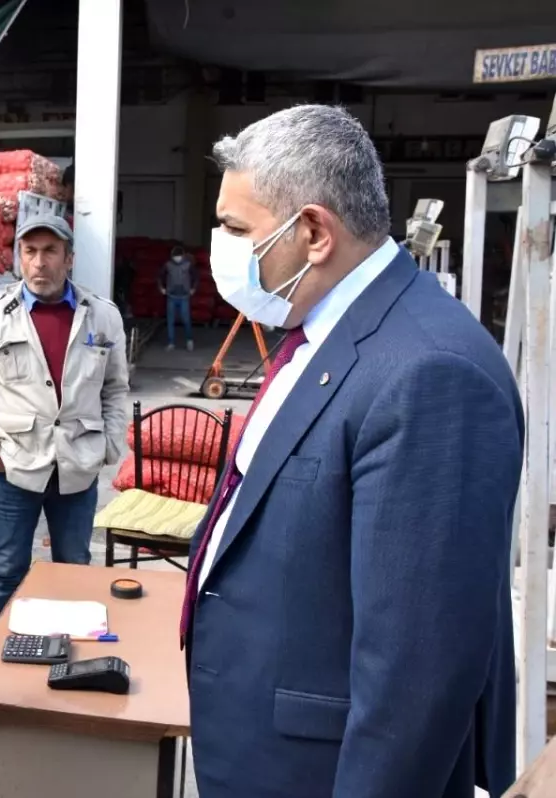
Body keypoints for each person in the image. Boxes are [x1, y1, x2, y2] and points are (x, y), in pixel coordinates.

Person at [182, 105, 521, 797]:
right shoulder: (324, 328)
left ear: (312, 231)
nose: (219, 246)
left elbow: (416, 676)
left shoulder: (429, 372)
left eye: (236, 229)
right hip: (260, 742)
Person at [0, 214, 129, 638]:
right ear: (19, 257)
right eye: (29, 251)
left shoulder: (101, 317)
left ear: (69, 258)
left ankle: (69, 653)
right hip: (14, 467)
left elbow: (116, 388)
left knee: (74, 568)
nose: (39, 262)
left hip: (77, 466)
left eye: (50, 251)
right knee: (7, 569)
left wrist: (109, 446)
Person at [161, 246, 198, 351]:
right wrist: (162, 288)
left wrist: (193, 288)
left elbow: (196, 277)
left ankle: (189, 340)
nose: (177, 258)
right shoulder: (168, 265)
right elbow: (160, 276)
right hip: (171, 296)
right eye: (175, 257)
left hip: (184, 296)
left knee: (186, 319)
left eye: (179, 256)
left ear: (183, 256)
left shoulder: (188, 265)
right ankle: (171, 342)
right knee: (170, 320)